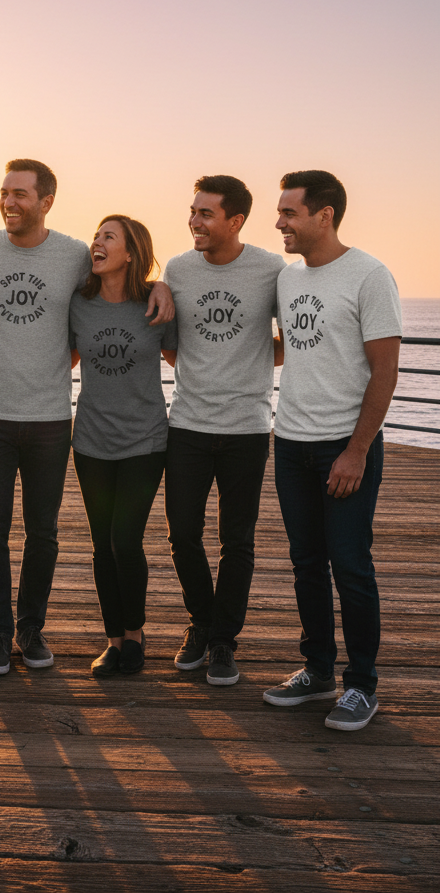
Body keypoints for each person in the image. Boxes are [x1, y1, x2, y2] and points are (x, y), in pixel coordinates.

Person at [0, 160, 175, 675]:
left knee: (44, 532)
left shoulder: (76, 255)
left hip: (53, 419)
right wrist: (16, 344)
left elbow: (119, 289)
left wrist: (164, 283)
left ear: (46, 201)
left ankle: (31, 631)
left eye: (21, 194)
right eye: (4, 192)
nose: (10, 202)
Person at [263, 170, 401, 731]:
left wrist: (357, 450)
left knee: (350, 565)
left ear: (325, 215)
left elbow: (385, 370)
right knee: (305, 565)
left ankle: (361, 684)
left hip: (343, 447)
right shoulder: (287, 280)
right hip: (290, 441)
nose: (279, 223)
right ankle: (317, 670)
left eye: (290, 213)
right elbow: (287, 347)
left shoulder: (369, 275)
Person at [161, 176, 285, 685]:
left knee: (237, 541)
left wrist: (250, 364)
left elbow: (291, 338)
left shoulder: (271, 269)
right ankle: (201, 622)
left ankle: (223, 642)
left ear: (235, 221)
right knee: (182, 535)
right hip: (187, 424)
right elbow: (170, 343)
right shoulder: (178, 268)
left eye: (206, 214)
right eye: (193, 211)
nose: (194, 221)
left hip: (246, 429)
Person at [69, 216, 177, 677]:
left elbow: (186, 357)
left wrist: (165, 285)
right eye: (96, 236)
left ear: (130, 252)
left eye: (108, 237)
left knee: (124, 540)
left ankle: (134, 636)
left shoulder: (154, 305)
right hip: (91, 440)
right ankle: (113, 641)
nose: (97, 242)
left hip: (145, 441)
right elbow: (58, 354)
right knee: (100, 544)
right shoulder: (78, 303)